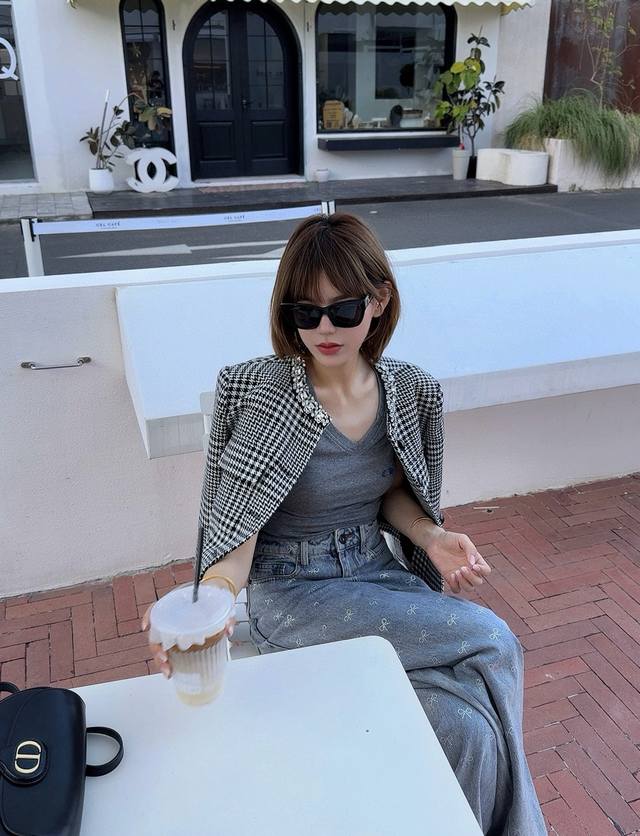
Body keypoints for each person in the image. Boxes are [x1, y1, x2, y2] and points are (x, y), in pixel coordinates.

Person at [143, 213, 547, 835]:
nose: (324, 329)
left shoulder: (409, 392)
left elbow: (392, 496)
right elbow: (238, 528)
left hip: (374, 574)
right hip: (293, 593)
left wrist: (433, 537)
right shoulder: (262, 393)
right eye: (306, 312)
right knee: (493, 638)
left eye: (343, 309)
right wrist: (213, 600)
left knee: (466, 728)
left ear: (379, 301)